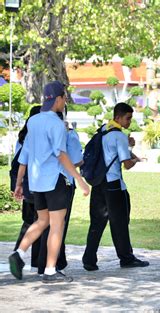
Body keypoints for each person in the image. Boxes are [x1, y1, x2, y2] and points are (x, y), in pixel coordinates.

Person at [10, 81, 90, 283]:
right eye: (64, 98)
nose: (65, 102)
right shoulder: (57, 124)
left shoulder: (33, 122)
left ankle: (19, 252)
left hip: (37, 182)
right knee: (56, 226)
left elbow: (24, 155)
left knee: (42, 221)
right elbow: (61, 155)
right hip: (55, 181)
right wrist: (80, 180)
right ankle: (50, 271)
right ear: (58, 99)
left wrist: (19, 183)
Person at [82, 102, 149, 270]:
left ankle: (89, 259)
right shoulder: (118, 135)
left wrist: (128, 145)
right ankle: (126, 258)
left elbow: (111, 152)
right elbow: (126, 164)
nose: (129, 121)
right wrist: (136, 159)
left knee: (97, 222)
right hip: (114, 184)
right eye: (127, 118)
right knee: (120, 223)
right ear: (118, 117)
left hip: (99, 183)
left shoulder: (104, 130)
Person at [37, 110, 83, 275]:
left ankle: (45, 263)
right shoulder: (69, 135)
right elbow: (77, 160)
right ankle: (52, 264)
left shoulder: (40, 134)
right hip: (63, 181)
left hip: (42, 183)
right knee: (58, 226)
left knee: (45, 224)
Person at [11, 105, 41, 270]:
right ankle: (32, 259)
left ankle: (18, 254)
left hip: (25, 183)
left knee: (30, 221)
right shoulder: (34, 138)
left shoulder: (22, 136)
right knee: (40, 221)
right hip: (35, 183)